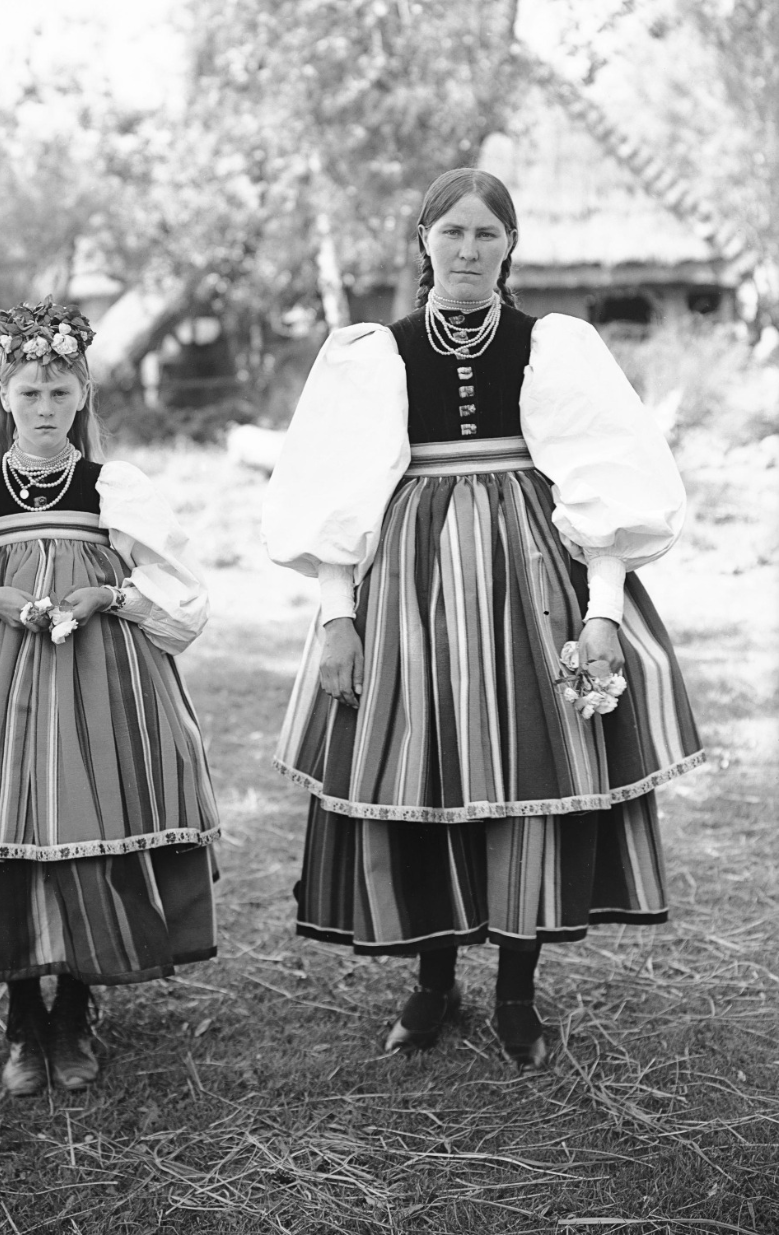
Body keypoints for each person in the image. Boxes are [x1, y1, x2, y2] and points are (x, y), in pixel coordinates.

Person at [262, 169, 703, 1067]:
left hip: (529, 576)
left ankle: (515, 994)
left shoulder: (554, 345)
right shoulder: (372, 354)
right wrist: (335, 618)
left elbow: (599, 478)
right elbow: (339, 493)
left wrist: (604, 611)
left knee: (531, 771)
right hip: (410, 587)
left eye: (486, 235)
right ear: (422, 240)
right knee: (419, 772)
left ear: (510, 247)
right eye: (452, 232)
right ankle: (431, 985)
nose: (468, 249)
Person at [0, 297, 219, 1095]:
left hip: (99, 675)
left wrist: (109, 596)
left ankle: (76, 1006)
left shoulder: (111, 486)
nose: (46, 409)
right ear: (4, 397)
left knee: (95, 821)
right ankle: (24, 1013)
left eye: (60, 394)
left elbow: (181, 597)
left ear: (83, 395)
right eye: (30, 394)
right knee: (5, 825)